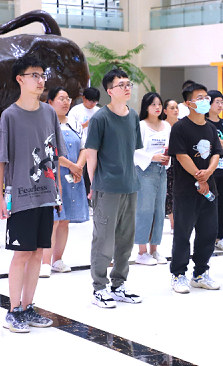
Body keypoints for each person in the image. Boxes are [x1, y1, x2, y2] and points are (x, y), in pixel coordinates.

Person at [0, 55, 64, 332]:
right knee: (22, 253)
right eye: (34, 75)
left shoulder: (49, 113)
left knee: (37, 253)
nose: (40, 80)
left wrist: (58, 190)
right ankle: (13, 311)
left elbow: (54, 155)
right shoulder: (9, 116)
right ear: (20, 79)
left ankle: (28, 306)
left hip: (46, 194)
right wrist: (0, 197)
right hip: (21, 194)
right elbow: (1, 160)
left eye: (42, 75)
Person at [85, 69, 143, 309]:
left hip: (130, 186)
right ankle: (99, 288)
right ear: (110, 91)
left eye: (129, 84)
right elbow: (91, 155)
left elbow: (132, 152)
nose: (127, 88)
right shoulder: (100, 118)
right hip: (106, 188)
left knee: (126, 240)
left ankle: (119, 285)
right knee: (103, 241)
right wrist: (94, 186)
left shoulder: (133, 116)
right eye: (121, 85)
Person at [168, 82, 223, 293]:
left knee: (208, 232)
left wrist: (208, 173)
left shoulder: (211, 128)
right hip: (186, 190)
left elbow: (216, 152)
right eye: (199, 98)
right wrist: (199, 177)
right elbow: (181, 156)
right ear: (188, 103)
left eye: (206, 97)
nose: (205, 101)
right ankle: (178, 274)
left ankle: (200, 273)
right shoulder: (180, 127)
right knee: (183, 233)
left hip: (209, 189)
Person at [40, 87, 90, 277]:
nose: (66, 102)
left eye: (68, 99)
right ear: (50, 102)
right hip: (52, 176)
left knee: (64, 221)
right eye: (61, 98)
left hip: (73, 176)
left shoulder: (75, 124)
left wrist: (79, 166)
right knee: (52, 220)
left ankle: (57, 260)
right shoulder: (45, 123)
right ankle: (45, 262)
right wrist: (72, 166)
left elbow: (84, 147)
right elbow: (49, 151)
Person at [134, 92, 171, 266]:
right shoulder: (141, 125)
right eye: (153, 104)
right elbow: (134, 150)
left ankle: (154, 249)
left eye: (159, 104)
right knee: (144, 210)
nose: (157, 107)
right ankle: (142, 251)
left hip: (162, 171)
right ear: (146, 107)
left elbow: (170, 147)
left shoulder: (167, 126)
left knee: (159, 211)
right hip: (144, 171)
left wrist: (167, 158)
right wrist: (152, 157)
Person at [206, 90, 223, 252]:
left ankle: (219, 237)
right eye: (217, 102)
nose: (220, 105)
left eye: (222, 102)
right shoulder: (203, 123)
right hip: (209, 171)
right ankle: (207, 237)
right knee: (209, 206)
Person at [68, 86, 100, 202]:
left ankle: (93, 199)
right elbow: (69, 129)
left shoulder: (99, 111)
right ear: (84, 98)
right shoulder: (75, 111)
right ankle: (81, 199)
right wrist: (85, 125)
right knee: (81, 173)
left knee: (94, 175)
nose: (92, 104)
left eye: (95, 102)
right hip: (80, 148)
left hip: (96, 148)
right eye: (90, 101)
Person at [163, 98, 180, 233]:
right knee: (169, 192)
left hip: (182, 160)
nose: (175, 110)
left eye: (176, 108)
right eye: (172, 108)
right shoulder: (162, 126)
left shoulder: (183, 124)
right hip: (167, 161)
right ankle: (173, 224)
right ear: (165, 111)